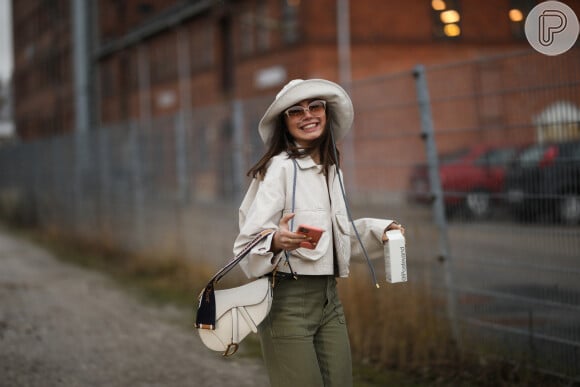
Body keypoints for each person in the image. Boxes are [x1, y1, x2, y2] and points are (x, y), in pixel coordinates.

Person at [233, 79, 405, 387]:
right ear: (284, 123)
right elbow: (246, 245)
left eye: (315, 106)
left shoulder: (331, 169)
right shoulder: (280, 168)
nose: (307, 115)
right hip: (287, 303)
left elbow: (331, 240)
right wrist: (274, 240)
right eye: (295, 111)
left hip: (329, 302)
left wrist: (378, 230)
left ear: (326, 113)